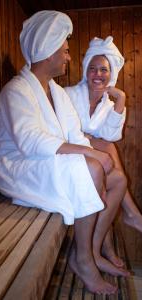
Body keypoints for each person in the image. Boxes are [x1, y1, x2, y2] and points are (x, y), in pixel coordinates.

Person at [0, 11, 128, 295]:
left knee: (115, 179)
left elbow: (76, 135)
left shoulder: (57, 92)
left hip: (46, 162)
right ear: (48, 50)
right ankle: (84, 260)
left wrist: (96, 155)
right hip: (19, 166)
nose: (68, 57)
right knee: (89, 169)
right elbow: (30, 142)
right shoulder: (16, 91)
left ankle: (90, 249)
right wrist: (93, 158)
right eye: (64, 51)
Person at [65, 36, 142, 267]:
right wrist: (88, 139)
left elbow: (111, 135)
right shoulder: (68, 94)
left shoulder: (108, 103)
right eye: (93, 69)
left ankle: (98, 248)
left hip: (92, 162)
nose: (98, 74)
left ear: (112, 74)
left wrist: (121, 99)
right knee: (107, 148)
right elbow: (63, 133)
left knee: (113, 169)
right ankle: (129, 216)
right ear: (85, 70)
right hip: (68, 157)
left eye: (104, 70)